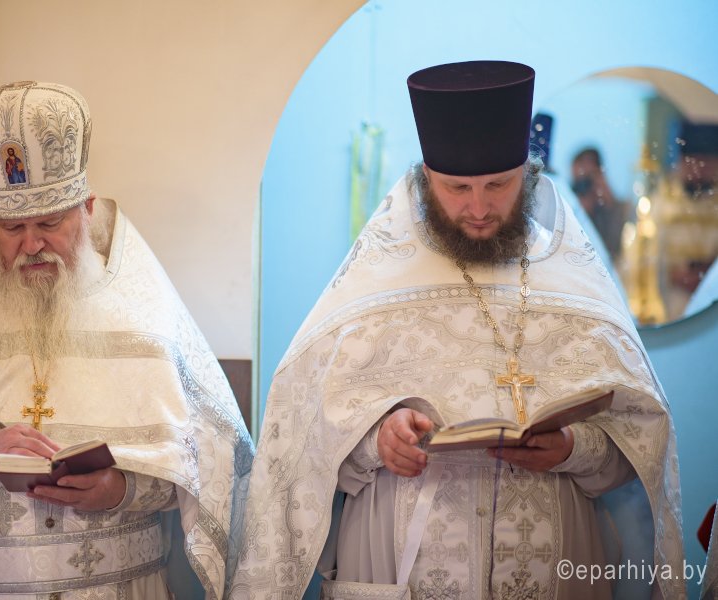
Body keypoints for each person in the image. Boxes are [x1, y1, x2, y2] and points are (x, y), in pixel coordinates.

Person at [229, 61, 684, 599]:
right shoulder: (377, 278)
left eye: (498, 184)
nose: (479, 207)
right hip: (401, 563)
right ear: (426, 179)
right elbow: (300, 442)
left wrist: (572, 447)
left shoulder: (574, 279)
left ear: (528, 174)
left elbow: (641, 443)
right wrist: (376, 441)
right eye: (457, 187)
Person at [0, 81, 253, 599]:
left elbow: (213, 459)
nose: (31, 244)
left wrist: (124, 488)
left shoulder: (143, 314)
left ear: (87, 208)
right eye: (10, 227)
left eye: (49, 222)